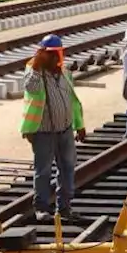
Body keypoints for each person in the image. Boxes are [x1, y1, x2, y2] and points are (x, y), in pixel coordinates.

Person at [21, 34, 87, 222]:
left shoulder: (65, 72)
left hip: (65, 130)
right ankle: (41, 207)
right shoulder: (34, 72)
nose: (54, 58)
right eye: (49, 54)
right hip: (43, 132)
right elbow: (31, 88)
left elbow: (72, 101)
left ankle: (64, 207)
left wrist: (79, 125)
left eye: (56, 54)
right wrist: (36, 64)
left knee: (67, 168)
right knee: (43, 171)